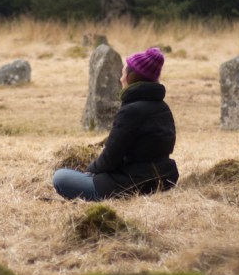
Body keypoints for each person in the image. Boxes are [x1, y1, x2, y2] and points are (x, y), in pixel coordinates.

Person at [53, 47, 178, 200]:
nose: (121, 78)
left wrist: (90, 171)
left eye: (124, 73)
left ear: (131, 77)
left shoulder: (130, 112)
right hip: (162, 179)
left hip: (130, 185)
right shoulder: (163, 108)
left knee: (61, 177)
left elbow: (110, 159)